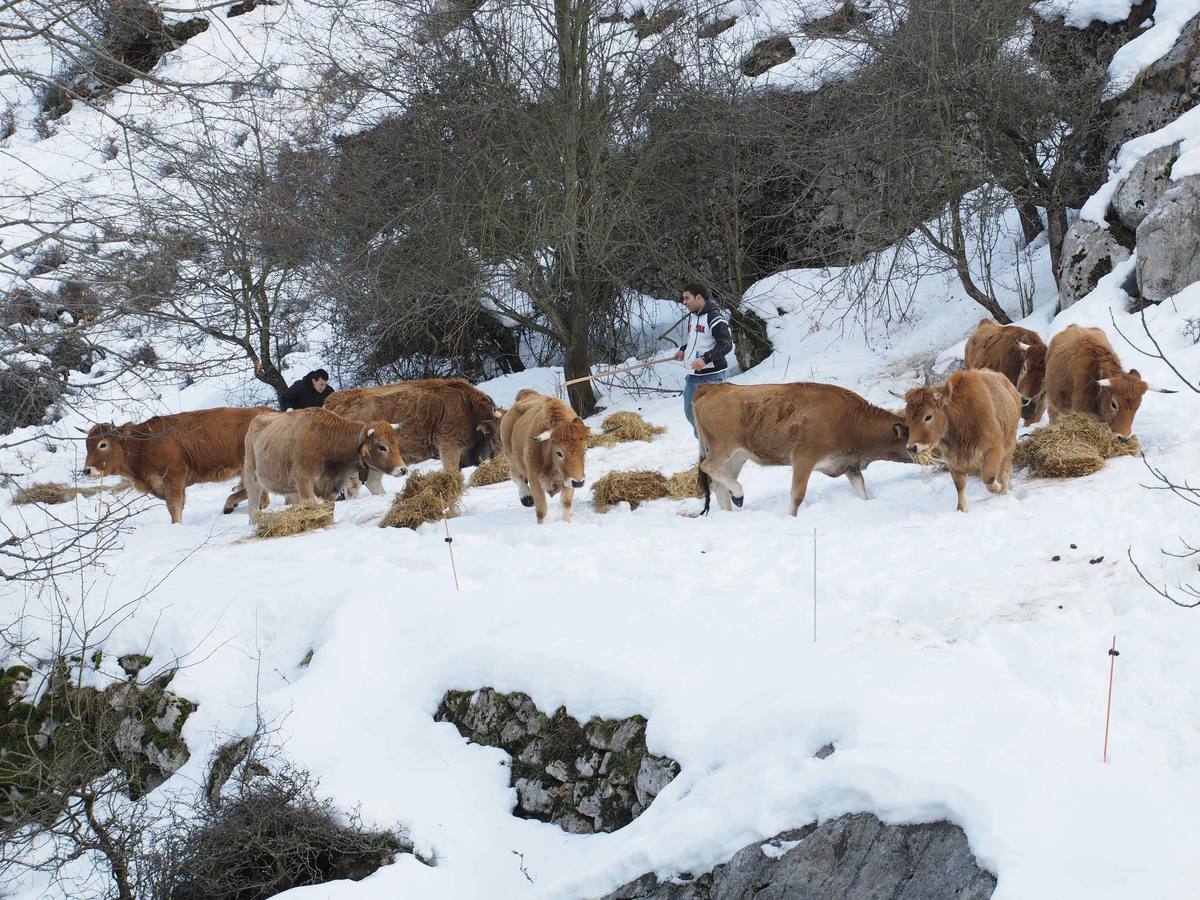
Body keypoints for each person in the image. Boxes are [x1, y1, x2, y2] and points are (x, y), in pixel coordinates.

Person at [673, 283, 734, 438]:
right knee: (690, 413)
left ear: (699, 297)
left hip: (711, 377)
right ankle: (708, 451)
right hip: (694, 376)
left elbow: (726, 344)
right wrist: (683, 350)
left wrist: (706, 359)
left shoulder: (714, 317)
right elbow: (697, 342)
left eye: (687, 298)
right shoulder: (695, 317)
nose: (684, 302)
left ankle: (713, 455)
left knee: (709, 419)